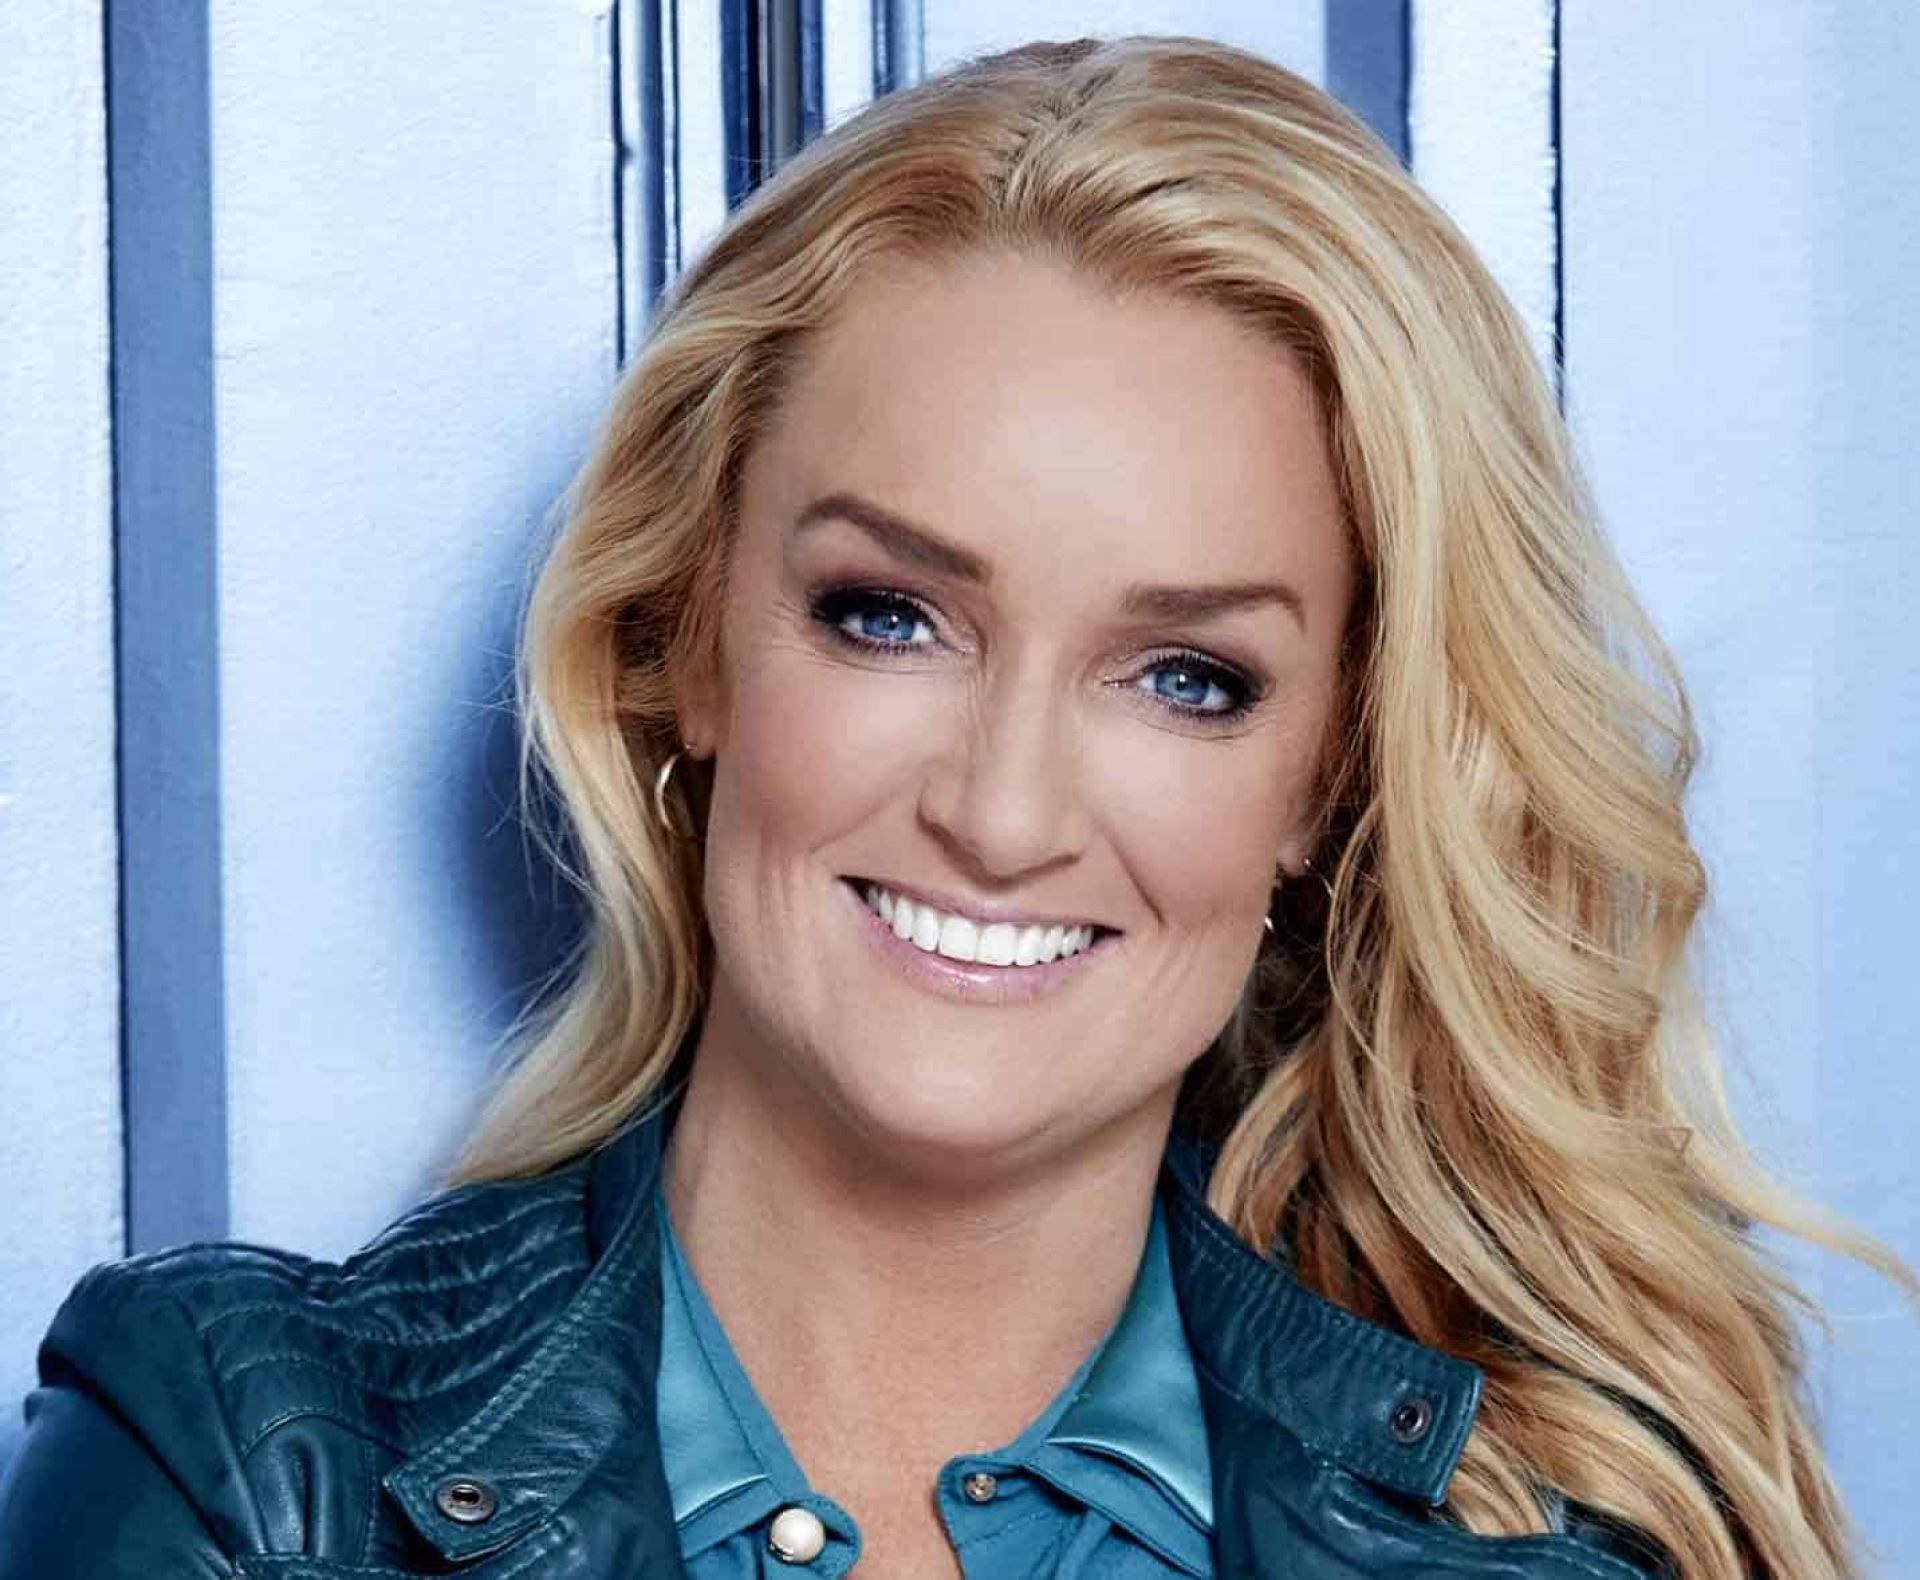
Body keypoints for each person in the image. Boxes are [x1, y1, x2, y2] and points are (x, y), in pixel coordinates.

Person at [0, 32, 1909, 1580]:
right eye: (888, 615)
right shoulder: (256, 1487)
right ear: (684, 639)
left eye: (1188, 677)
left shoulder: (1551, 1546)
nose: (1002, 815)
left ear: (1330, 778)